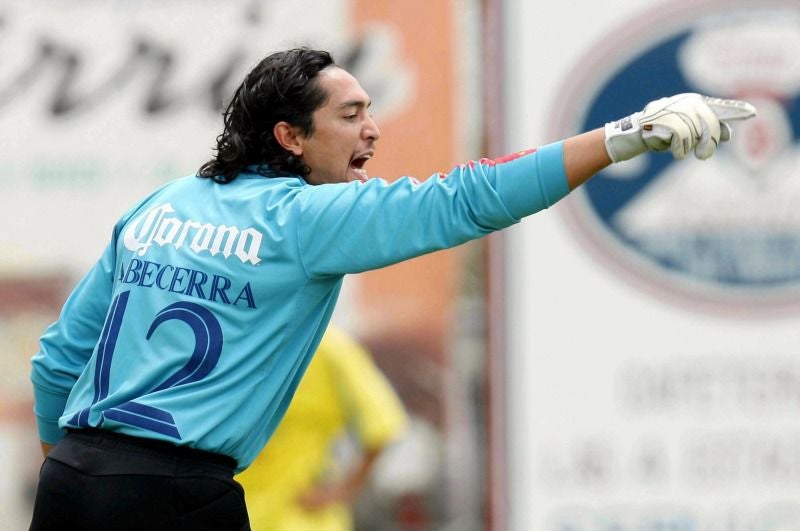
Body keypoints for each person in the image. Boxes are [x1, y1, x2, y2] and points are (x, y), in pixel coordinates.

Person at [28, 47, 755, 530]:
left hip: (71, 479)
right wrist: (623, 136)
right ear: (290, 137)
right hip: (178, 495)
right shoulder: (307, 219)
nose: (372, 129)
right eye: (350, 115)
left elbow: (59, 359)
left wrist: (80, 470)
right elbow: (468, 198)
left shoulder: (163, 204)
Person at [235, 326, 406, 531]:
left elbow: (383, 425)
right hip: (242, 512)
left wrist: (341, 492)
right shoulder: (248, 344)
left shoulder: (330, 348)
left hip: (299, 519)